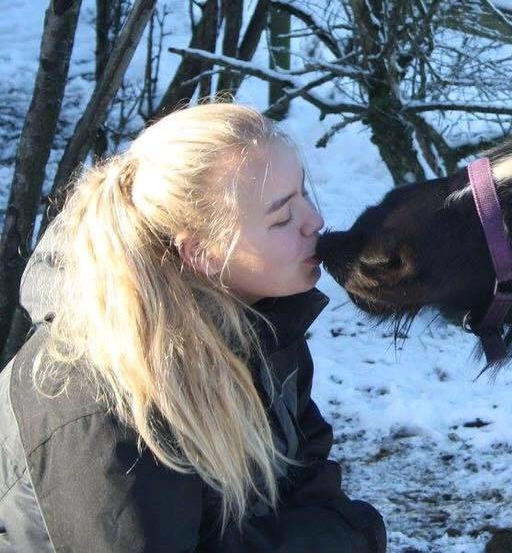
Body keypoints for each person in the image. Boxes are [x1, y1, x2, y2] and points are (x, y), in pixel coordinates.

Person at [0, 104, 386, 552]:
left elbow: (304, 473)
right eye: (281, 217)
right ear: (200, 253)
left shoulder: (259, 319)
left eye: (303, 193)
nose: (314, 221)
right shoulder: (100, 401)